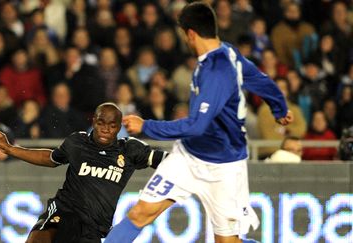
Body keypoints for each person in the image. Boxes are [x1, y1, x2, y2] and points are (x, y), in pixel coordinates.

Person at [104, 3, 293, 243]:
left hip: (224, 166)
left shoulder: (215, 71)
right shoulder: (227, 52)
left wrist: (146, 126)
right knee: (140, 213)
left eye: (183, 34)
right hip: (188, 156)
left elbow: (195, 126)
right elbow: (259, 78)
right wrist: (279, 107)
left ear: (190, 34)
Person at [0, 102, 168, 243]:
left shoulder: (130, 149)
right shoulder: (77, 142)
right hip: (64, 211)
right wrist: (10, 149)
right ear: (93, 121)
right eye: (101, 123)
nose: (106, 129)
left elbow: (168, 161)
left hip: (94, 227)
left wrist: (193, 163)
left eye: (112, 125)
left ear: (119, 127)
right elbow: (50, 158)